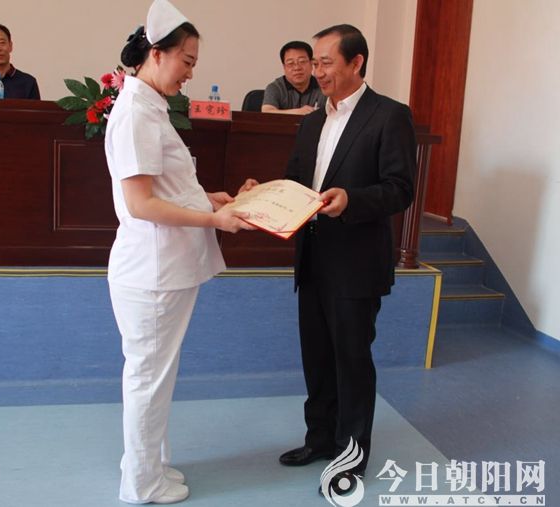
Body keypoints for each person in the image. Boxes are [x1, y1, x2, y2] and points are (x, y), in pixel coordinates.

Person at [104, 0, 254, 503]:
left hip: (163, 266)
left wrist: (208, 199)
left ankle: (149, 465)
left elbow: (165, 186)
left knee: (155, 377)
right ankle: (141, 483)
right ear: (157, 53)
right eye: (186, 61)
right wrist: (213, 220)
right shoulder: (135, 112)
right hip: (152, 270)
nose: (190, 73)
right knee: (148, 379)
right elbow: (141, 203)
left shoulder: (149, 105)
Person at [277, 24, 416, 488]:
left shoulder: (389, 115)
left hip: (356, 261)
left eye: (325, 62)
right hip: (313, 257)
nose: (317, 72)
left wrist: (352, 199)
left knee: (351, 361)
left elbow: (400, 189)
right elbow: (296, 181)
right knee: (316, 356)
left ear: (357, 63)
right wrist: (265, 195)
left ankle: (349, 456)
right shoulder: (312, 120)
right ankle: (319, 438)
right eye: (314, 63)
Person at [261, 41, 326, 115]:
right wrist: (297, 112)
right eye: (290, 63)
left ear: (311, 64)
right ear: (284, 67)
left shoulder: (323, 85)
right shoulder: (276, 87)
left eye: (302, 61)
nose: (297, 68)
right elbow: (266, 111)